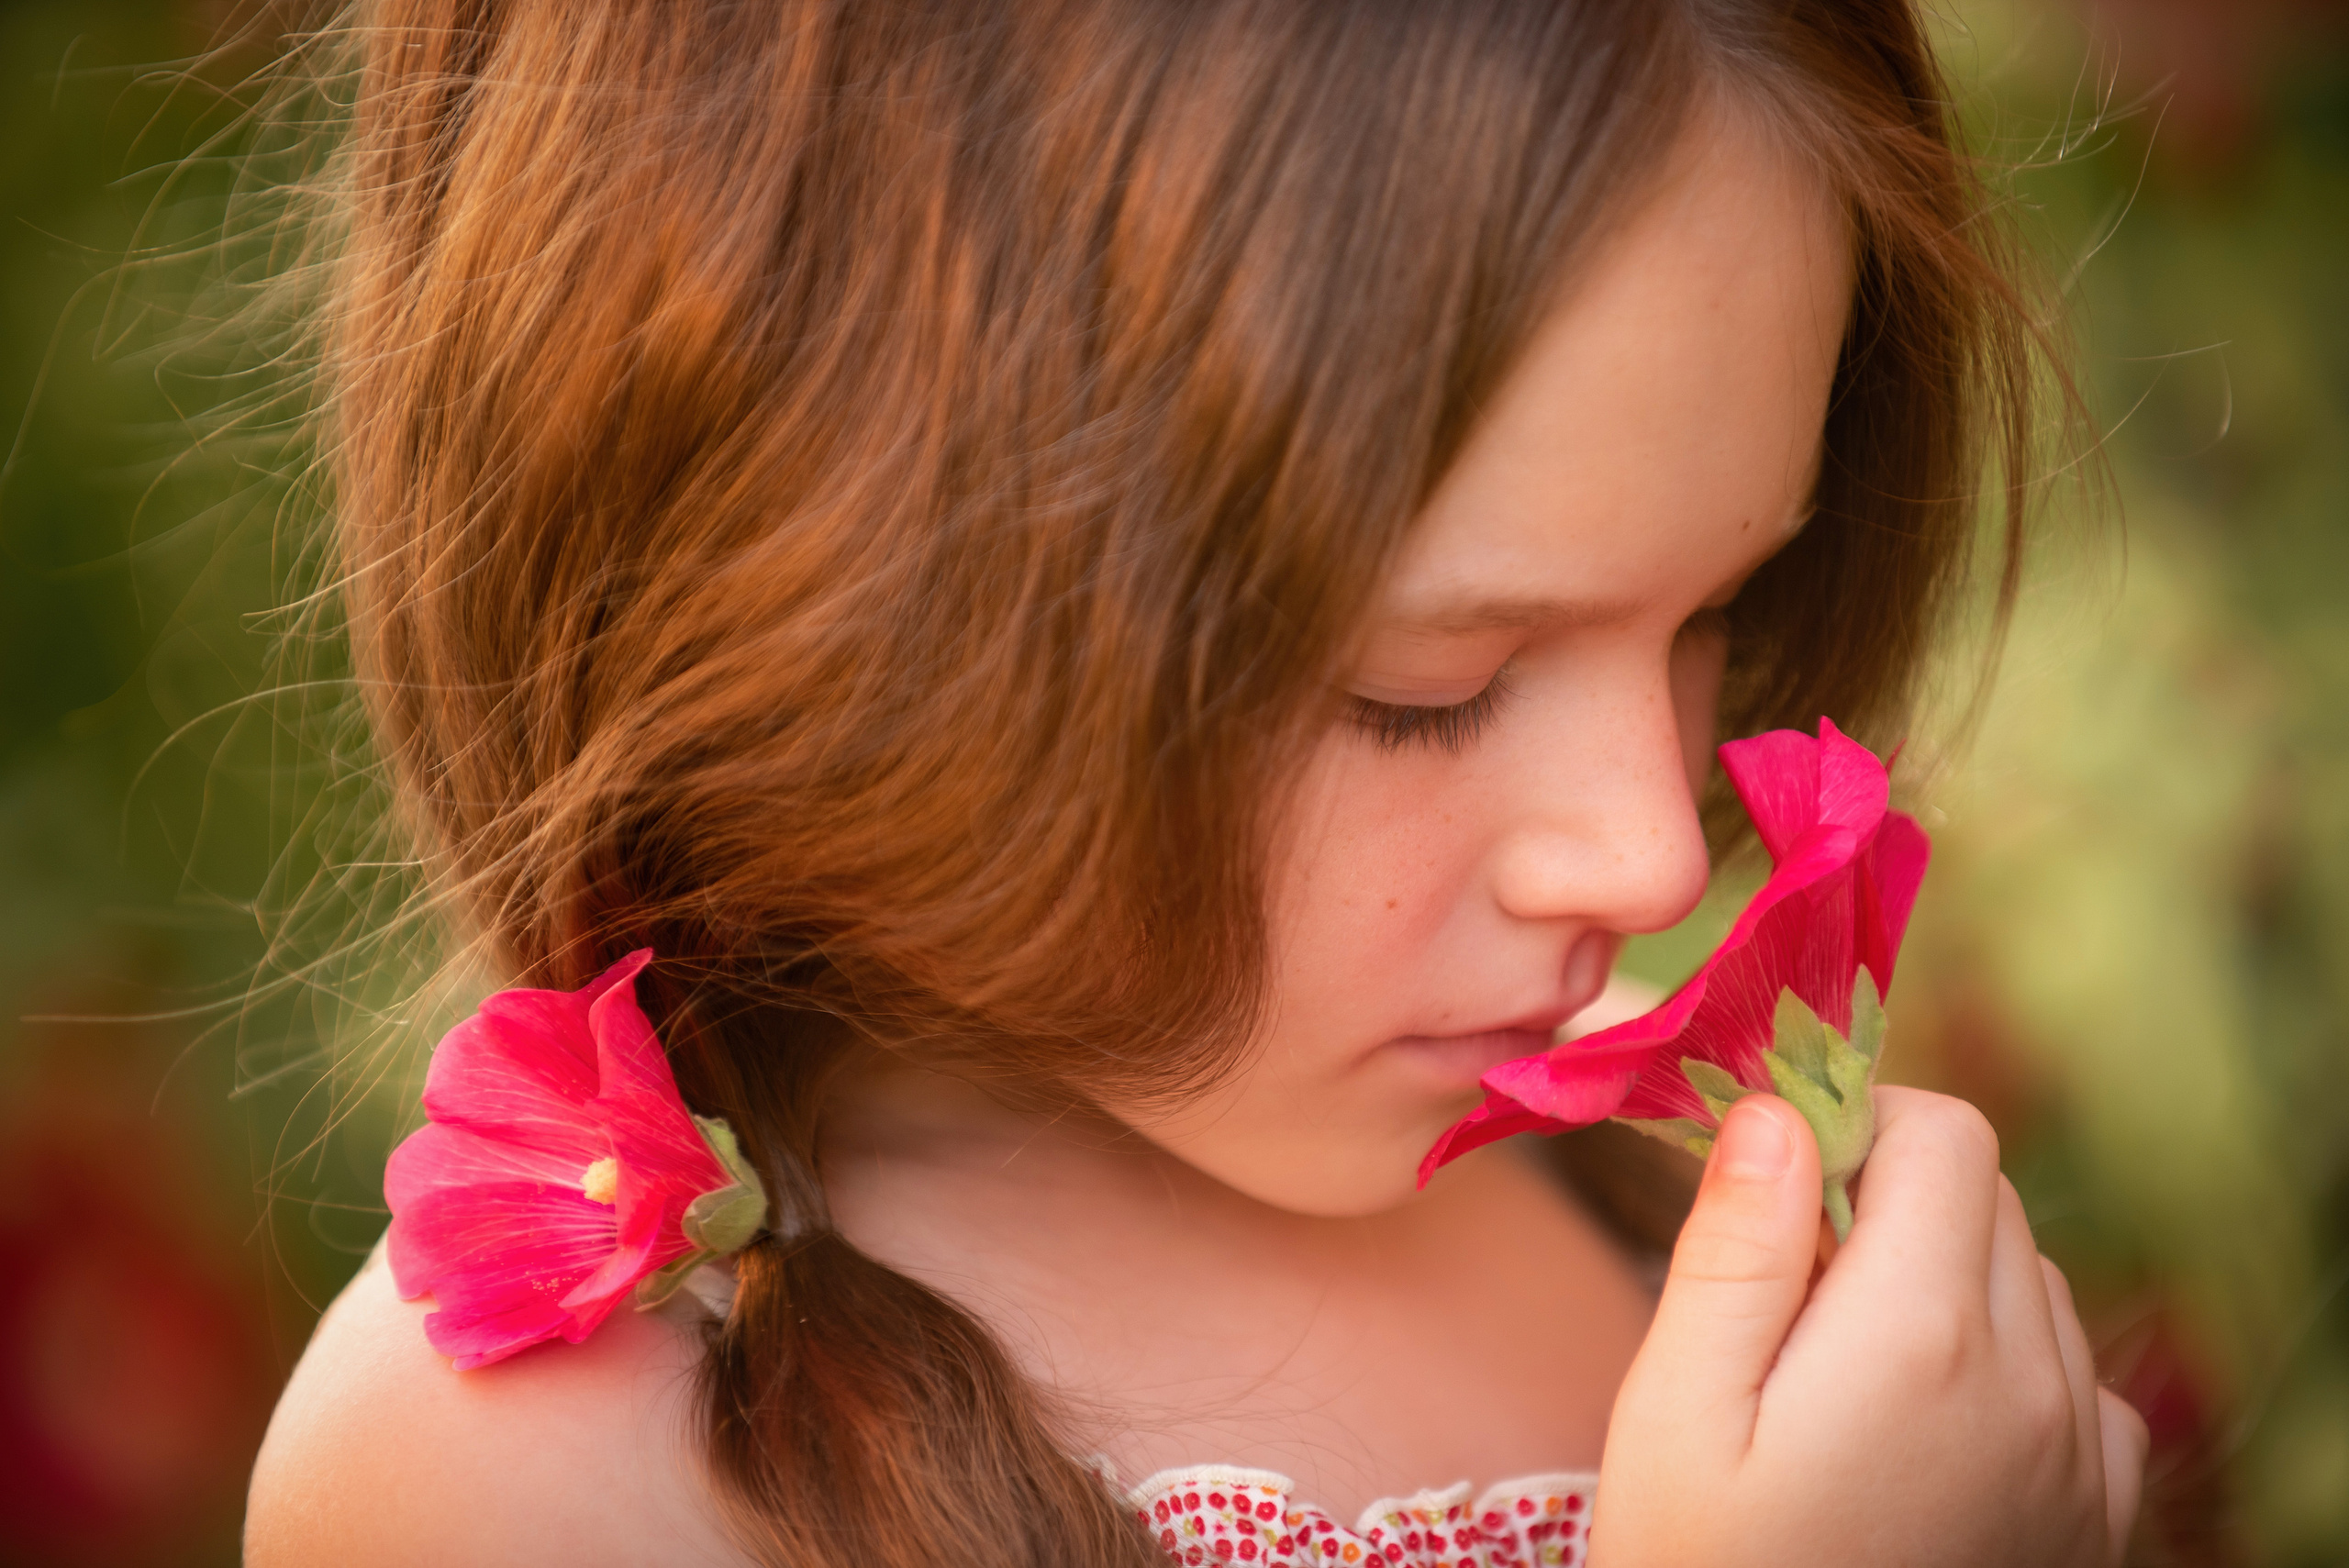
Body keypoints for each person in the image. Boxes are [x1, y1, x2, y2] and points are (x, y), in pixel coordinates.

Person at [242, 2, 2149, 1563]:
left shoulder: (1638, 1224)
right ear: (828, 596)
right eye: (1430, 688)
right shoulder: (531, 1479)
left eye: (1713, 614)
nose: (1652, 860)